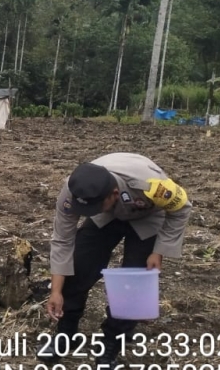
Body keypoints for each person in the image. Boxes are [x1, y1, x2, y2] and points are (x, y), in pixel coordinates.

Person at [39, 153, 192, 366]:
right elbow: (62, 240)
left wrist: (159, 250)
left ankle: (113, 340)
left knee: (134, 281)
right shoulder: (74, 190)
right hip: (107, 214)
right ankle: (66, 332)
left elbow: (182, 209)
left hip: (147, 214)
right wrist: (55, 291)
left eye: (90, 209)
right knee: (79, 264)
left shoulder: (153, 186)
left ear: (114, 194)